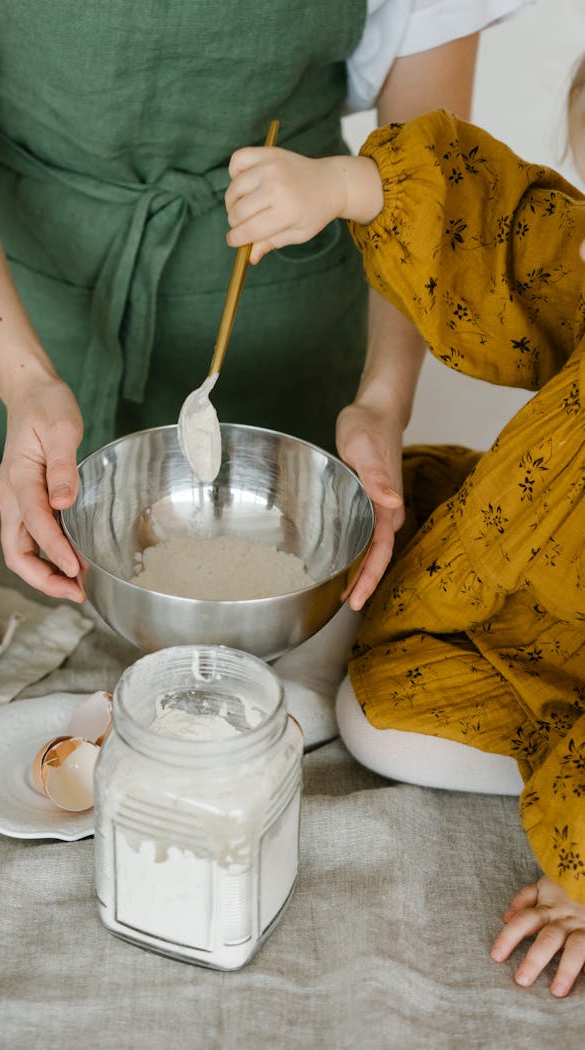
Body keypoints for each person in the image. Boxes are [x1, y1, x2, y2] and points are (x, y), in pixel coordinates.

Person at [0, 1, 528, 603]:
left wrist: (386, 400)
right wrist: (24, 379)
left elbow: (430, 169)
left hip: (280, 315)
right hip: (19, 297)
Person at [224, 65, 585, 996]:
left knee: (381, 727)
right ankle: (313, 658)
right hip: (513, 553)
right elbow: (510, 231)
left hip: (568, 662)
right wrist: (345, 186)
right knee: (396, 504)